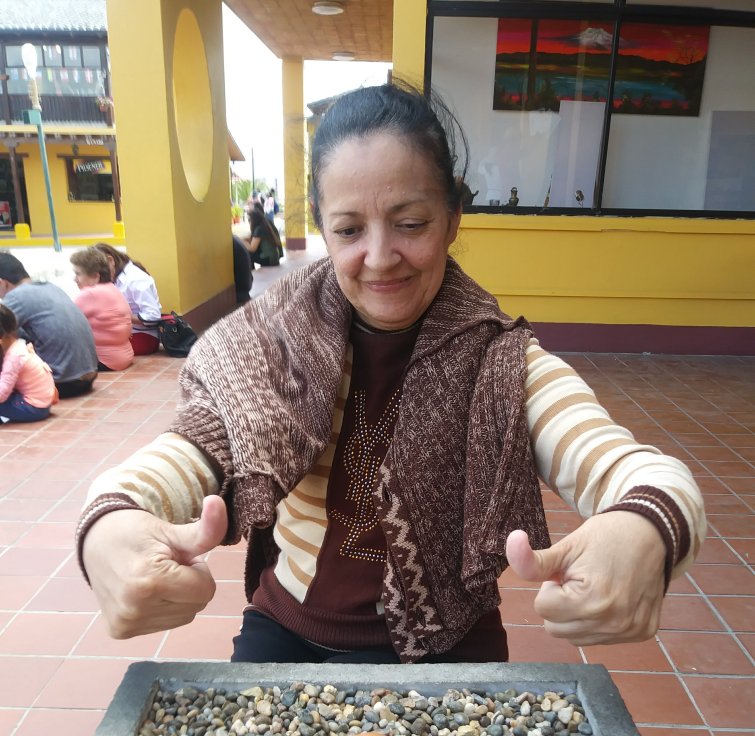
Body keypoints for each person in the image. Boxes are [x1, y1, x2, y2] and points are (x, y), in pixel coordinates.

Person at [77, 81, 705, 666]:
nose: (379, 258)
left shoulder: (500, 364)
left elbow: (633, 469)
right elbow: (191, 447)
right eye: (349, 229)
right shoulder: (268, 343)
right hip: (287, 629)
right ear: (322, 225)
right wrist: (110, 519)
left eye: (410, 224)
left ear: (453, 218)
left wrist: (646, 528)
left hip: (447, 641)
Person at [0, 253, 98, 399]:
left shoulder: (15, 297)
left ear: (3, 283)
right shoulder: (51, 287)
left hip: (61, 382)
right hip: (89, 375)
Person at [92, 243, 162, 356]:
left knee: (95, 350)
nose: (100, 276)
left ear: (110, 260)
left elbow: (153, 317)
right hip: (123, 331)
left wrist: (118, 315)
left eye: (100, 272)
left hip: (143, 336)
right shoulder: (115, 277)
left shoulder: (135, 278)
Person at [70, 248, 133, 372]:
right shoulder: (112, 288)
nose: (74, 279)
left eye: (78, 274)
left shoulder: (89, 294)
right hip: (124, 357)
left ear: (95, 276)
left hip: (104, 360)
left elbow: (64, 322)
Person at [0, 304, 57, 423]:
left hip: (33, 408)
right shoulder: (18, 345)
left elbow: (2, 393)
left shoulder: (14, 357)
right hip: (42, 403)